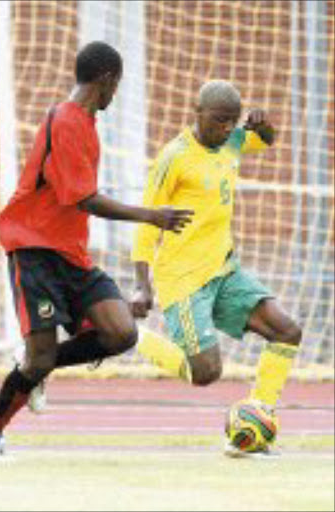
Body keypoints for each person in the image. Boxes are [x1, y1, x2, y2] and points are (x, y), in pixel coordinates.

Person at [0, 41, 193, 458]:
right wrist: (151, 215)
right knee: (37, 361)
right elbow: (85, 199)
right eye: (117, 86)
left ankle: (39, 364)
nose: (116, 95)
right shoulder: (66, 121)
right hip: (34, 250)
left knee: (121, 332)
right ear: (107, 79)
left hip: (71, 255)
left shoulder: (88, 124)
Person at [130, 79, 302, 457]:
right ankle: (127, 335)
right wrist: (142, 285)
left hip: (224, 270)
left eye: (232, 121)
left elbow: (266, 139)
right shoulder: (173, 157)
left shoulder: (233, 142)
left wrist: (263, 123)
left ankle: (257, 419)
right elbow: (146, 223)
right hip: (183, 280)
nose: (227, 128)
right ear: (198, 112)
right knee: (205, 372)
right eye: (220, 120)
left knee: (287, 331)